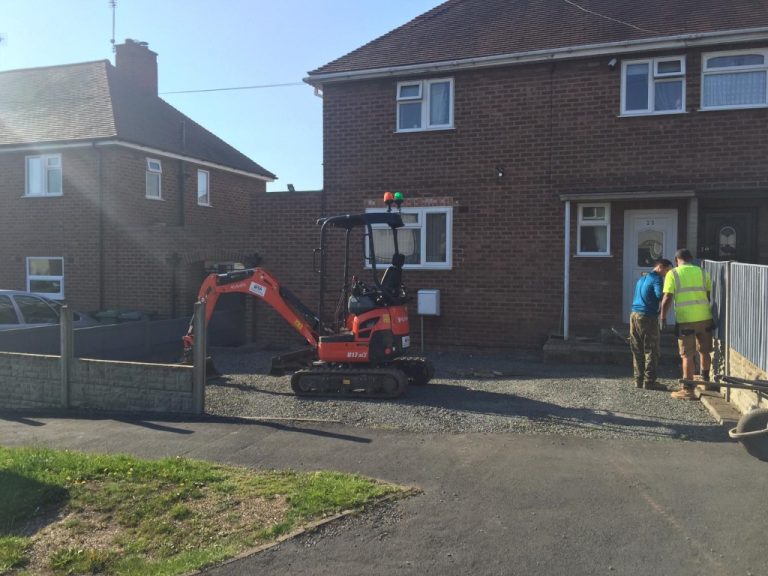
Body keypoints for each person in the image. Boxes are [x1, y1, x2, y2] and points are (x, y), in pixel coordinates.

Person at [660, 248, 714, 400]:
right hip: (705, 317)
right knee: (704, 351)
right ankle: (705, 381)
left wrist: (663, 318)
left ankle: (687, 389)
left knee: (687, 355)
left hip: (686, 321)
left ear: (677, 260)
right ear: (691, 259)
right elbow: (708, 294)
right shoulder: (703, 272)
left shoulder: (673, 273)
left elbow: (667, 298)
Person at [629, 258, 673, 390]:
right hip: (647, 317)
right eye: (667, 270)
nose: (667, 273)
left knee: (637, 348)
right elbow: (660, 295)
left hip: (634, 315)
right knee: (651, 349)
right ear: (660, 267)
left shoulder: (642, 279)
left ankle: (638, 380)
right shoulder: (657, 279)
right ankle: (649, 381)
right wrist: (670, 292)